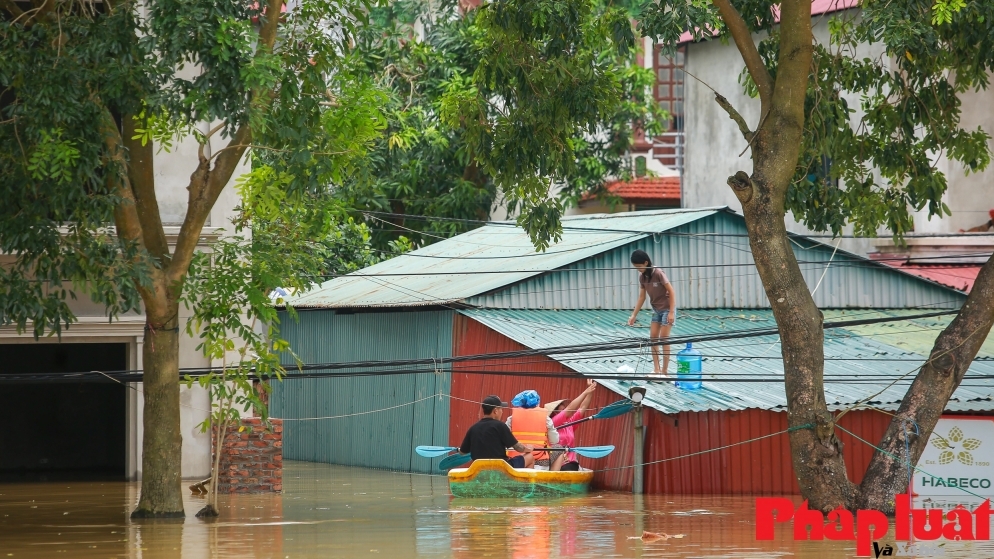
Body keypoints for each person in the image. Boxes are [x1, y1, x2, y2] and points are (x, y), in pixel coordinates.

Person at [627, 249, 676, 376]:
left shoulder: (658, 273)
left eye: (639, 266)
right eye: (635, 267)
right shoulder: (642, 277)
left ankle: (665, 371)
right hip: (656, 309)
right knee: (653, 338)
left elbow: (671, 291)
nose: (638, 269)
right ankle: (657, 369)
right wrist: (634, 315)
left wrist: (671, 312)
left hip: (667, 309)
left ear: (646, 262)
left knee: (664, 339)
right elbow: (642, 297)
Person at [459, 395, 534, 468]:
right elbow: (518, 448)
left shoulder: (473, 428)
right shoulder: (500, 426)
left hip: (479, 469)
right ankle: (523, 481)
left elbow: (462, 452)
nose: (502, 412)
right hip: (501, 468)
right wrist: (528, 448)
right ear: (495, 411)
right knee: (530, 457)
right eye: (501, 409)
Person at [546, 379, 598, 471]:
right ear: (555, 412)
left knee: (570, 467)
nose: (564, 411)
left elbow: (583, 407)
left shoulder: (570, 422)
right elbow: (570, 409)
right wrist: (585, 392)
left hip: (570, 463)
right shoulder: (553, 422)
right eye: (561, 410)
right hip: (555, 463)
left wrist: (590, 391)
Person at [505, 390, 559, 469]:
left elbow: (504, 438)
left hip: (517, 458)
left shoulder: (511, 419)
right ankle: (552, 479)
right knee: (559, 447)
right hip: (540, 459)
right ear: (537, 402)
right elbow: (555, 440)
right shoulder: (546, 419)